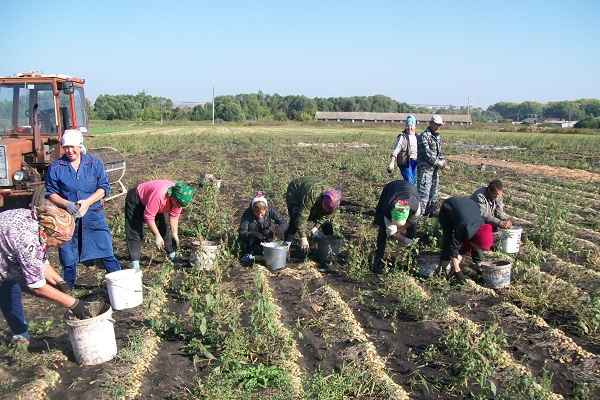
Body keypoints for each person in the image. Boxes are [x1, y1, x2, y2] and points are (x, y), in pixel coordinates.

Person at [0, 205, 92, 351]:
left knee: (9, 290)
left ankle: (20, 337)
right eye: (59, 241)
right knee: (8, 289)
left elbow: (40, 261)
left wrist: (59, 282)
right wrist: (73, 303)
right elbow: (37, 286)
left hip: (4, 259)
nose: (61, 246)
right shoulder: (29, 242)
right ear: (48, 233)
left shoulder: (38, 224)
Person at [45, 129, 121, 288]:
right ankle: (68, 289)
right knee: (67, 256)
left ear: (80, 146)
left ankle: (119, 284)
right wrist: (67, 204)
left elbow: (103, 188)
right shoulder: (56, 167)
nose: (70, 151)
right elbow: (51, 192)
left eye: (73, 147)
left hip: (93, 216)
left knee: (106, 251)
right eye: (66, 147)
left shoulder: (94, 164)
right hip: (68, 218)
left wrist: (87, 202)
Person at [125, 180, 195, 269]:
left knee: (163, 228)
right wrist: (157, 236)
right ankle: (135, 264)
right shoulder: (160, 195)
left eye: (180, 205)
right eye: (177, 204)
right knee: (135, 231)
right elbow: (149, 217)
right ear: (172, 196)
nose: (178, 206)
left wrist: (175, 234)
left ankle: (172, 256)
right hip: (137, 199)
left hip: (153, 201)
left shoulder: (180, 199)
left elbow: (174, 216)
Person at [438, 197, 493, 283]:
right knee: (448, 237)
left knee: (471, 243)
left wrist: (457, 262)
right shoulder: (464, 229)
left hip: (468, 206)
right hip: (450, 207)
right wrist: (457, 271)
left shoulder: (481, 228)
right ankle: (445, 267)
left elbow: (468, 245)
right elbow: (454, 248)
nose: (479, 249)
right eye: (480, 247)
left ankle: (478, 267)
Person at [372, 180, 422, 272]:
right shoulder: (387, 209)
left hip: (409, 188)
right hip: (391, 188)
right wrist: (406, 240)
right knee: (383, 227)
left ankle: (412, 260)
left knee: (412, 229)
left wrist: (407, 237)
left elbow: (412, 221)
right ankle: (378, 258)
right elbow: (391, 233)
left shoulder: (416, 207)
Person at [284, 176, 341, 254]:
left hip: (312, 191)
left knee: (327, 224)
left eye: (329, 209)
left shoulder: (335, 201)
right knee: (294, 221)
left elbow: (327, 216)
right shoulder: (312, 197)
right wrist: (303, 238)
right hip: (295, 191)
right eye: (326, 208)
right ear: (322, 200)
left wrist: (316, 227)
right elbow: (302, 218)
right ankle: (285, 249)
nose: (327, 211)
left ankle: (329, 248)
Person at [238, 192, 289, 265]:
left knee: (268, 233)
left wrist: (281, 227)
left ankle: (265, 251)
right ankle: (250, 251)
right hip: (252, 234)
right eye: (256, 213)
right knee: (252, 225)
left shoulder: (271, 210)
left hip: (265, 234)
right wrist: (251, 234)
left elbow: (284, 222)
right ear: (253, 209)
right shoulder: (247, 213)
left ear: (266, 209)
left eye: (262, 214)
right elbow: (242, 232)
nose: (259, 216)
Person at [417, 115, 450, 217]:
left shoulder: (437, 137)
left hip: (434, 170)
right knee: (423, 194)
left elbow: (439, 153)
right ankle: (419, 216)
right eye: (436, 124)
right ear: (430, 123)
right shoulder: (424, 136)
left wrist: (444, 163)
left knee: (433, 194)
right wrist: (439, 163)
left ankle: (429, 213)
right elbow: (427, 154)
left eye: (439, 125)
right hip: (425, 170)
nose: (438, 127)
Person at [387, 115, 418, 184]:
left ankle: (408, 193)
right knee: (410, 182)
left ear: (414, 126)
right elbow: (396, 149)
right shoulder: (402, 137)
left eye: (411, 126)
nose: (409, 128)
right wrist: (392, 163)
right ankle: (410, 194)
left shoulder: (417, 137)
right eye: (407, 125)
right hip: (405, 162)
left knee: (412, 181)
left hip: (414, 162)